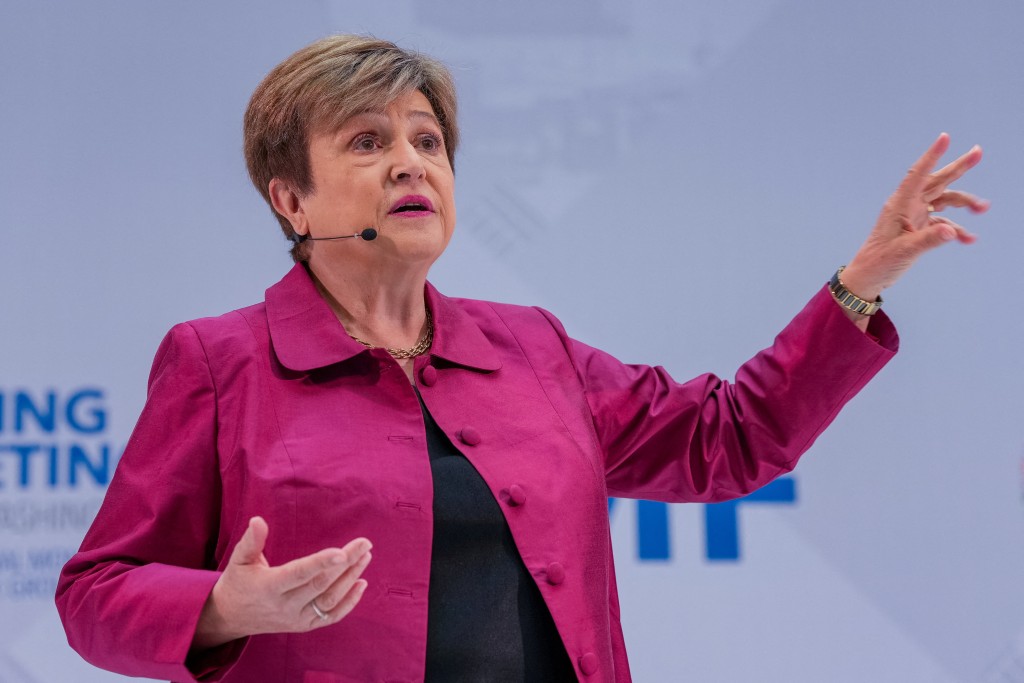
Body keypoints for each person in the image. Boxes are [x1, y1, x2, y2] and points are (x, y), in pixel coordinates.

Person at [56, 35, 988, 683]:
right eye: (368, 143)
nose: (412, 164)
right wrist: (223, 606)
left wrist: (863, 279)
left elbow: (732, 439)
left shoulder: (531, 348)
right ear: (291, 201)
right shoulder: (219, 362)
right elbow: (96, 592)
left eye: (428, 142)